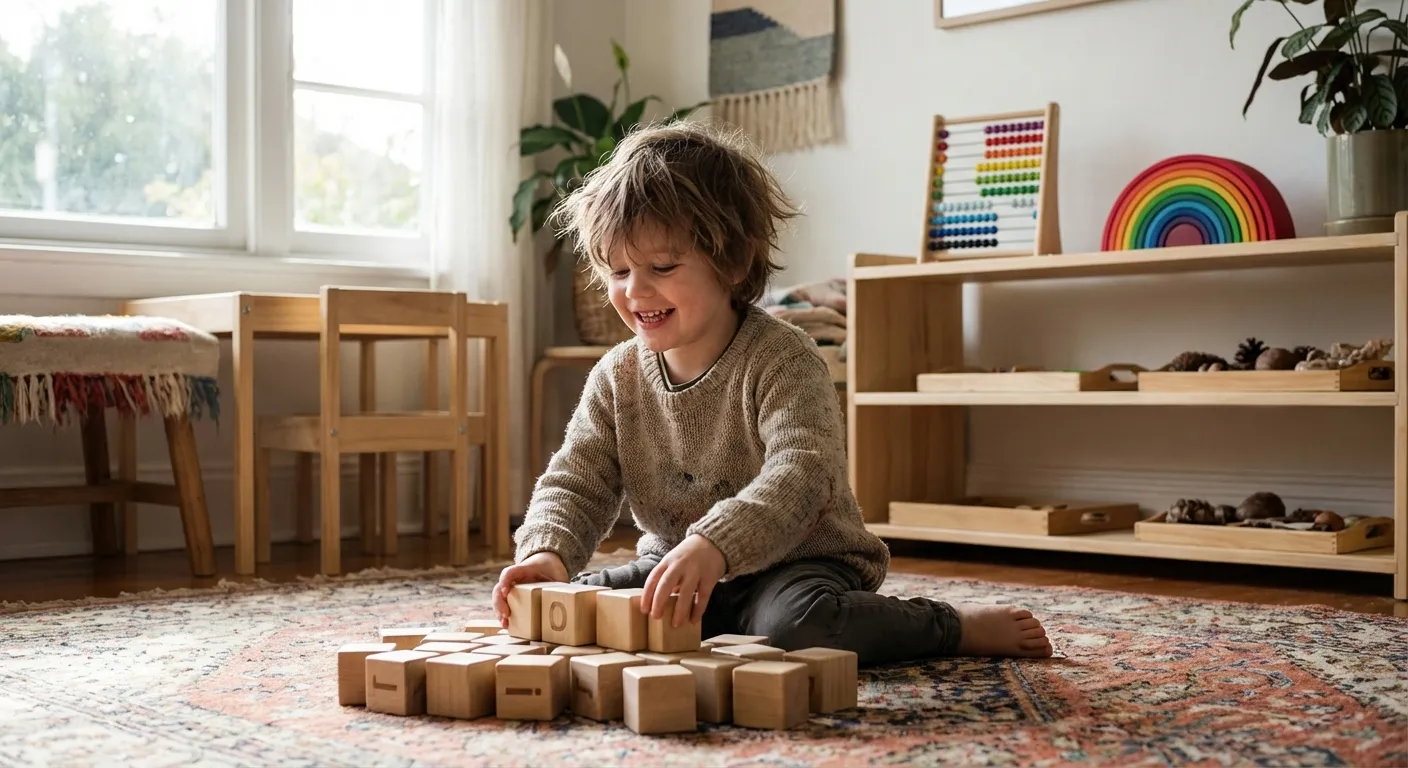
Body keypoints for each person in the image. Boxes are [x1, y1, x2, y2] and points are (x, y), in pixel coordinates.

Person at [491, 120, 1052, 666]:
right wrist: (547, 554)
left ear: (733, 261)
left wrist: (714, 544)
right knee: (578, 603)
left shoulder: (784, 357)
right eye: (617, 271)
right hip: (679, 568)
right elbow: (575, 479)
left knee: (798, 627)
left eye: (662, 266)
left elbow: (801, 473)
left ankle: (949, 627)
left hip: (797, 567)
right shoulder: (616, 376)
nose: (635, 290)